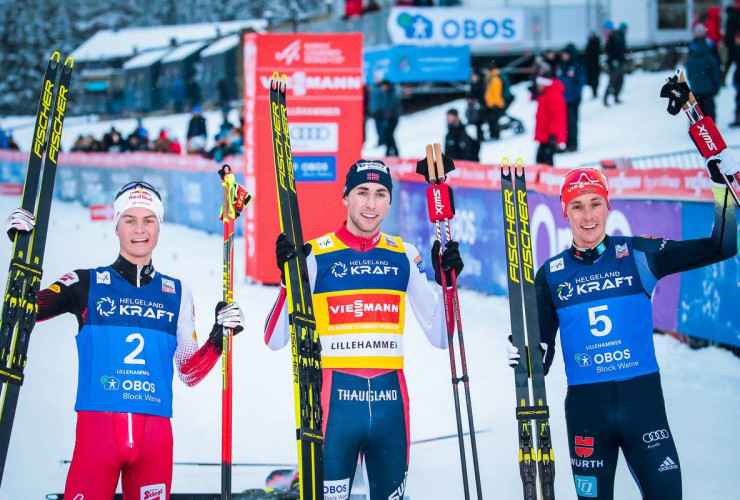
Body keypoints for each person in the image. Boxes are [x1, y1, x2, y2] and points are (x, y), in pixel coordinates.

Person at [508, 156, 738, 499]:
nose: (588, 216)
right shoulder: (551, 273)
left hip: (643, 407)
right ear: (565, 213)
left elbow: (722, 245)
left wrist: (725, 189)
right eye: (578, 206)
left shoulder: (639, 254)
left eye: (595, 204)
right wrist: (527, 354)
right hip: (587, 413)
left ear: (607, 206)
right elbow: (541, 355)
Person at [4, 181, 247, 500]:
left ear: (159, 228)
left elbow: (188, 372)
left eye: (149, 220)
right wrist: (22, 249)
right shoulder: (84, 283)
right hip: (97, 440)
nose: (139, 229)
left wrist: (219, 337)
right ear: (116, 225)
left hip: (155, 444)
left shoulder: (177, 293)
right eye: (129, 219)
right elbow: (24, 310)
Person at [264, 160, 463, 499]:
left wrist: (448, 286)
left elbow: (441, 338)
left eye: (380, 194)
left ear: (389, 201)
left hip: (391, 409)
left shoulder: (404, 254)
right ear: (345, 197)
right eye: (362, 193)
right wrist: (289, 281)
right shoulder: (316, 254)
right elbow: (274, 339)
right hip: (335, 410)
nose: (371, 204)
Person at [687, 23, 721, 121]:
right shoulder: (705, 49)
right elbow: (715, 69)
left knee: (698, 110)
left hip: (701, 87)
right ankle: (709, 129)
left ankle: (699, 129)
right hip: (704, 87)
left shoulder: (698, 49)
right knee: (707, 110)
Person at [533, 72, 567, 166]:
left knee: (546, 161)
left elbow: (557, 118)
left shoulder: (553, 96)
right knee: (541, 159)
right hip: (544, 134)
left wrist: (554, 135)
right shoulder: (545, 95)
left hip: (549, 135)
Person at [557, 44, 586, 152]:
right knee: (563, 123)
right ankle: (565, 143)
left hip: (572, 99)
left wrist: (577, 96)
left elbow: (580, 82)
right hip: (562, 99)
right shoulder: (562, 66)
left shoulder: (576, 66)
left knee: (572, 122)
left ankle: (573, 144)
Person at [603, 21, 626, 106]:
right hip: (614, 63)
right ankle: (606, 98)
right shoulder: (611, 37)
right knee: (612, 81)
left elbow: (617, 50)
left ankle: (615, 96)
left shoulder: (614, 37)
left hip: (618, 62)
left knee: (619, 81)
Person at [585, 32, 602, 99]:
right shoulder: (593, 43)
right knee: (594, 80)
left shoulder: (594, 44)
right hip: (593, 64)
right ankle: (594, 93)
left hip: (593, 64)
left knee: (594, 80)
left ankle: (594, 93)